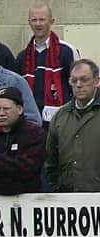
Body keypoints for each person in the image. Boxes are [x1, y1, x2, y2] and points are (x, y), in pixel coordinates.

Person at [16, 2, 80, 126]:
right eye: (34, 20)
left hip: (62, 122)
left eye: (42, 19)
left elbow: (78, 85)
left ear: (51, 21)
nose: (38, 24)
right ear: (29, 22)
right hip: (31, 125)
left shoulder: (67, 51)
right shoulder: (22, 57)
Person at [46, 59, 100, 192]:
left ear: (97, 81)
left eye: (84, 80)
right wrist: (56, 188)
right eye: (74, 81)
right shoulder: (60, 116)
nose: (79, 85)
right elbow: (50, 160)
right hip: (68, 201)